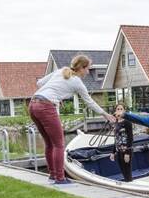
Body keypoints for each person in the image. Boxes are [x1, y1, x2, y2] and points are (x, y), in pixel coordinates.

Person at [29, 55, 116, 184]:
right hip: (46, 107)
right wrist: (105, 114)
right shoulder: (77, 82)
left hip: (33, 104)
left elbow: (40, 83)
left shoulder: (61, 70)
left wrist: (57, 96)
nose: (88, 72)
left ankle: (53, 174)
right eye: (88, 69)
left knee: (49, 143)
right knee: (59, 144)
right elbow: (89, 102)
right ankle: (60, 178)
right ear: (81, 68)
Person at [109, 103, 133, 182]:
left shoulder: (127, 122)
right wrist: (113, 152)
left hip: (126, 150)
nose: (119, 111)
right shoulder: (115, 123)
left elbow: (130, 138)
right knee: (122, 170)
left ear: (124, 111)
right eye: (118, 109)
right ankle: (127, 185)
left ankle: (130, 186)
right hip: (118, 150)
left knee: (127, 171)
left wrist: (127, 153)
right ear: (115, 111)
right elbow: (116, 138)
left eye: (121, 109)